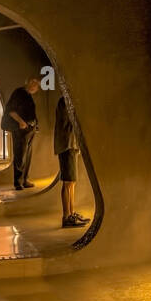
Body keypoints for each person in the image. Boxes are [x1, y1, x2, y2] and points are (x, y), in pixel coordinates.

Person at [54, 93, 89, 227]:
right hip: (67, 145)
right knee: (68, 182)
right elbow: (71, 121)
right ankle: (66, 216)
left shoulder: (66, 100)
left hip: (70, 145)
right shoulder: (65, 101)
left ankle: (71, 213)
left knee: (72, 182)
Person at [4, 75, 40, 190]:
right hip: (21, 130)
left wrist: (35, 125)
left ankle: (25, 180)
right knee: (20, 155)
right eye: (35, 84)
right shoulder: (19, 93)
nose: (37, 87)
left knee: (27, 155)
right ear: (29, 82)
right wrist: (21, 122)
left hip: (29, 130)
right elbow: (11, 111)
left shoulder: (28, 95)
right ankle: (18, 182)